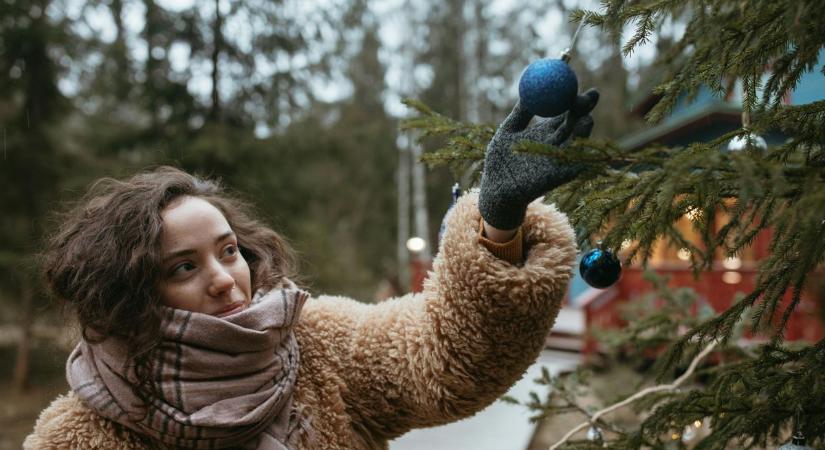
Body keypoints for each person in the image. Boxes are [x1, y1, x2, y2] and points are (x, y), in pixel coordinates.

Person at [24, 89, 599, 450]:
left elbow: (446, 355)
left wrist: (498, 222)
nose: (226, 277)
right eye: (182, 267)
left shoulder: (316, 345)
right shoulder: (82, 435)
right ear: (130, 295)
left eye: (229, 251)